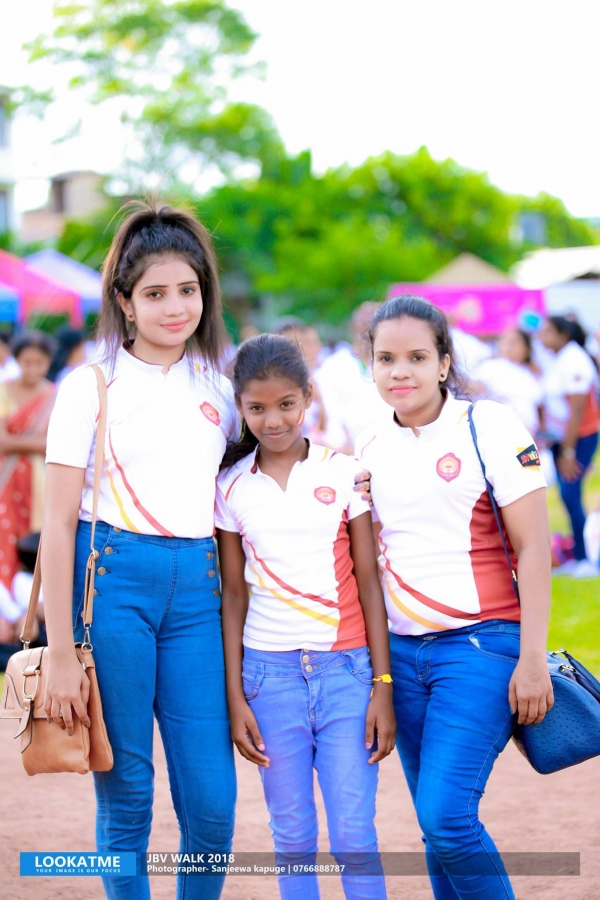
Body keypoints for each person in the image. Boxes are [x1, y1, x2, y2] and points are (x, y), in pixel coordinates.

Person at [41, 203, 238, 900]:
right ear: (124, 302)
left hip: (198, 596)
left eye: (188, 289)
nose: (175, 307)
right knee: (127, 795)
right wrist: (60, 653)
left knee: (212, 806)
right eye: (155, 293)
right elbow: (56, 524)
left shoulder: (221, 390)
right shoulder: (89, 385)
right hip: (112, 587)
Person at [356, 295, 553, 900]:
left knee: (447, 817)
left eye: (417, 357)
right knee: (434, 827)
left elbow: (535, 547)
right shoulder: (369, 447)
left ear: (444, 363)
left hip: (482, 647)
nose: (401, 371)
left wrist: (533, 658)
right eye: (386, 358)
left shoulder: (487, 425)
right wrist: (379, 679)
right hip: (403, 657)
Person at [216, 334, 395, 900]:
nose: (273, 420)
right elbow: (233, 596)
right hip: (268, 680)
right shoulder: (230, 486)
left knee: (354, 836)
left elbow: (369, 581)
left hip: (348, 675)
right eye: (257, 408)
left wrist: (382, 685)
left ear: (308, 397)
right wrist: (235, 697)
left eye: (286, 404)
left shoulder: (345, 473)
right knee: (292, 837)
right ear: (240, 407)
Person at [539, 315, 600, 577]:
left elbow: (578, 410)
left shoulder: (575, 360)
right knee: (567, 495)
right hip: (561, 438)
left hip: (579, 437)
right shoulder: (558, 358)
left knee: (571, 493)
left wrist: (568, 450)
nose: (541, 337)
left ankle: (586, 558)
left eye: (547, 332)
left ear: (563, 335)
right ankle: (577, 554)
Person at [0, 332, 56, 590]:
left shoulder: (55, 396)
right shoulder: (4, 390)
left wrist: (16, 441)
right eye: (27, 362)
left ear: (49, 362)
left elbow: (55, 444)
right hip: (5, 478)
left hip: (40, 482)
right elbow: (2, 442)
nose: (32, 369)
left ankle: (29, 604)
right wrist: (37, 441)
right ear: (17, 360)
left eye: (39, 363)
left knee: (33, 539)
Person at [474, 328, 542, 434]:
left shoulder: (532, 373)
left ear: (526, 348)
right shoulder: (489, 367)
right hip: (499, 430)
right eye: (504, 342)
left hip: (530, 434)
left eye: (514, 343)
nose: (507, 347)